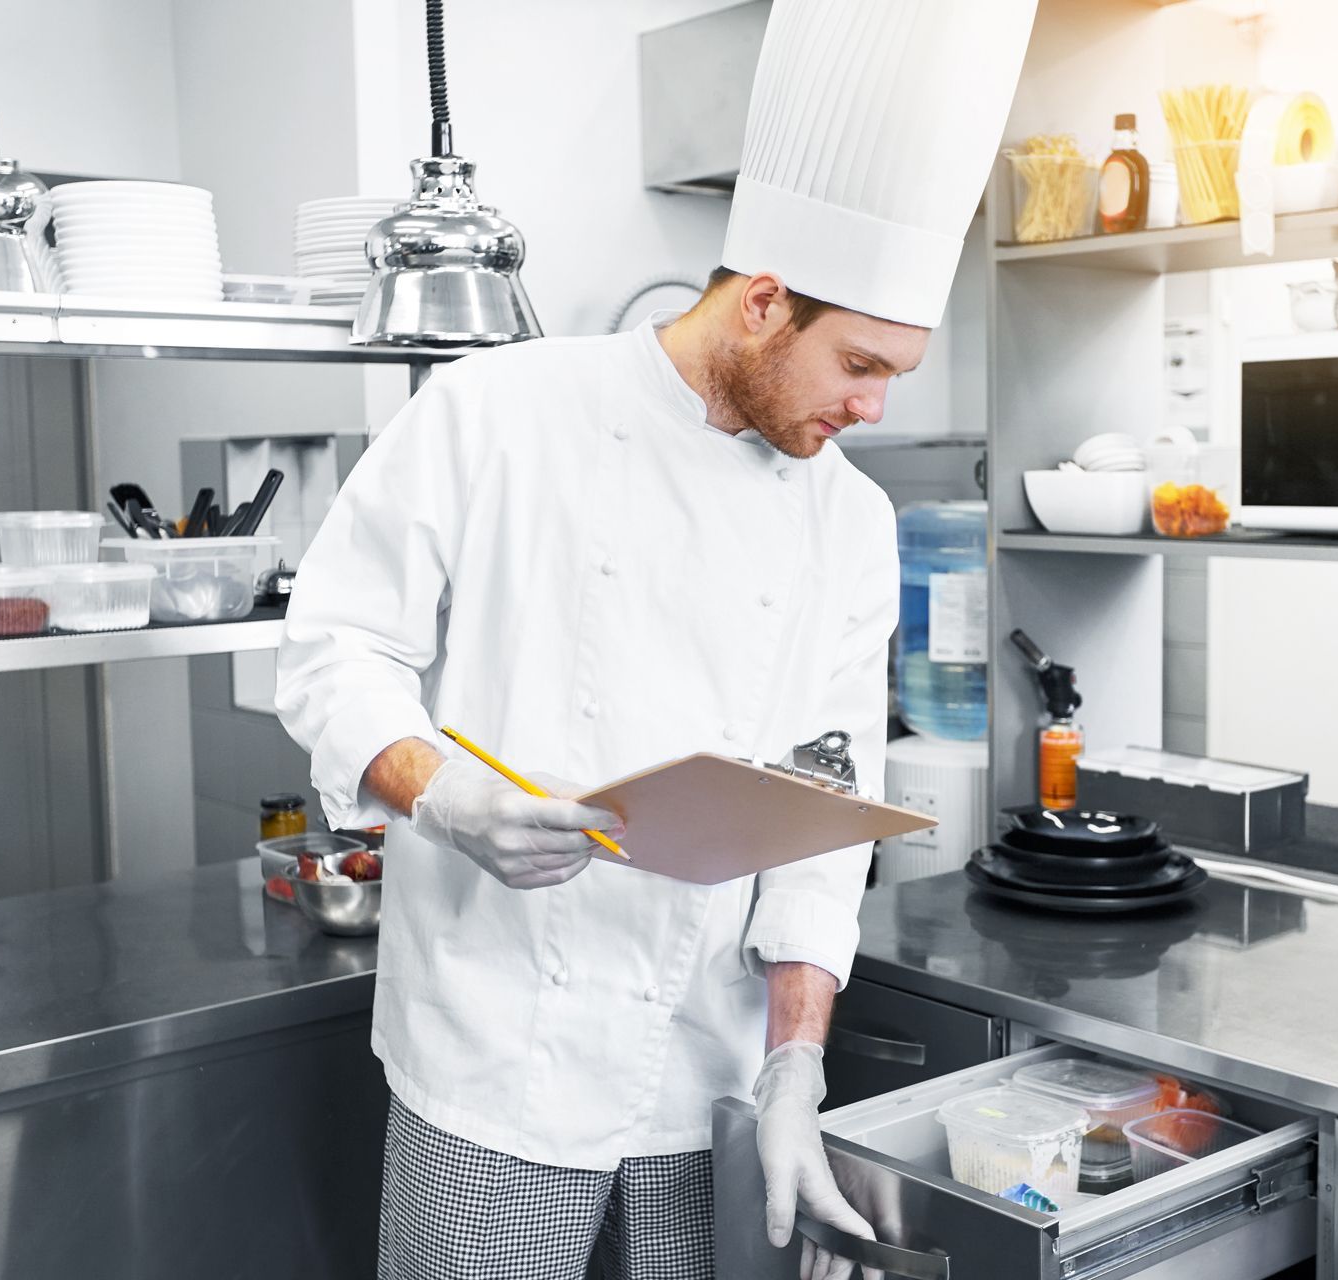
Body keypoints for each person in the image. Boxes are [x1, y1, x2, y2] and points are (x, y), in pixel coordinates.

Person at [275, 3, 1036, 1276]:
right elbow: (332, 652)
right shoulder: (495, 413)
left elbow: (824, 804)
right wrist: (447, 794)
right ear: (762, 303)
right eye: (857, 362)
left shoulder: (852, 517)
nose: (874, 404)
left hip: (710, 1073)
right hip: (498, 1063)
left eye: (897, 372)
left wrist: (798, 1059)